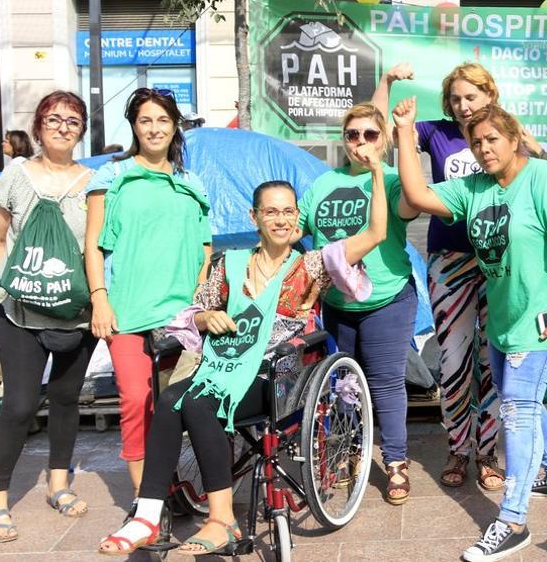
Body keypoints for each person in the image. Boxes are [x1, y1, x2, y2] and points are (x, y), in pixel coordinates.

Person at [97, 169, 386, 555]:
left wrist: (378, 170)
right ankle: (148, 515)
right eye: (271, 212)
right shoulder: (228, 265)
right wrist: (204, 318)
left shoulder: (312, 265)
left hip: (277, 376)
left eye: (288, 212)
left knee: (198, 404)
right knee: (168, 400)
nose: (281, 220)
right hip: (223, 368)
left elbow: (375, 234)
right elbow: (197, 308)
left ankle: (222, 521)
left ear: (298, 217)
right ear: (254, 218)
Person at [394, 98, 547, 562]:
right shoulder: (474, 188)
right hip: (502, 322)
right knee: (518, 398)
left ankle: (512, 520)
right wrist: (405, 133)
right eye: (475, 141)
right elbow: (419, 196)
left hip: (540, 323)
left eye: (492, 139)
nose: (484, 148)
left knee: (518, 413)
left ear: (515, 136)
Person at [370, 61, 505, 492]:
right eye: (456, 99)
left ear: (490, 96)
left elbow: (535, 164)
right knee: (453, 361)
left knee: (491, 360)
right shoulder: (436, 132)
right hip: (449, 259)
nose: (464, 106)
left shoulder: (504, 132)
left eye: (472, 96)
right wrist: (389, 86)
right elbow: (377, 131)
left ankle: (487, 451)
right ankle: (458, 447)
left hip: (499, 259)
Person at [84, 88, 213, 502]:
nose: (154, 128)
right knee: (137, 401)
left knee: (176, 406)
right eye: (145, 120)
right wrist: (100, 297)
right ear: (134, 127)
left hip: (180, 317)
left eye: (162, 120)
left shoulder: (191, 183)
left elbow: (205, 247)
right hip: (126, 310)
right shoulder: (111, 176)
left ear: (175, 125)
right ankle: (146, 500)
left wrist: (200, 291)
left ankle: (172, 483)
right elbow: (92, 244)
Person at [0, 91, 95, 542]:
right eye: (54, 118)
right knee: (19, 405)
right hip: (19, 310)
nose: (63, 126)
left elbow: (97, 248)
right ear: (38, 125)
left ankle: (59, 484)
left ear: (82, 129)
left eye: (73, 120)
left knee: (67, 401)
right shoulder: (15, 175)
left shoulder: (94, 182)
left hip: (77, 313)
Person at [297, 102, 420, 505]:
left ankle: (396, 461)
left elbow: (407, 209)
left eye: (370, 135)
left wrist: (377, 172)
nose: (361, 142)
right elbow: (301, 233)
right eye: (353, 135)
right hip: (337, 304)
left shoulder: (391, 178)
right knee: (342, 384)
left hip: (386, 299)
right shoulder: (322, 184)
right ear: (343, 141)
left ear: (382, 140)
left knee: (384, 382)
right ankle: (348, 451)